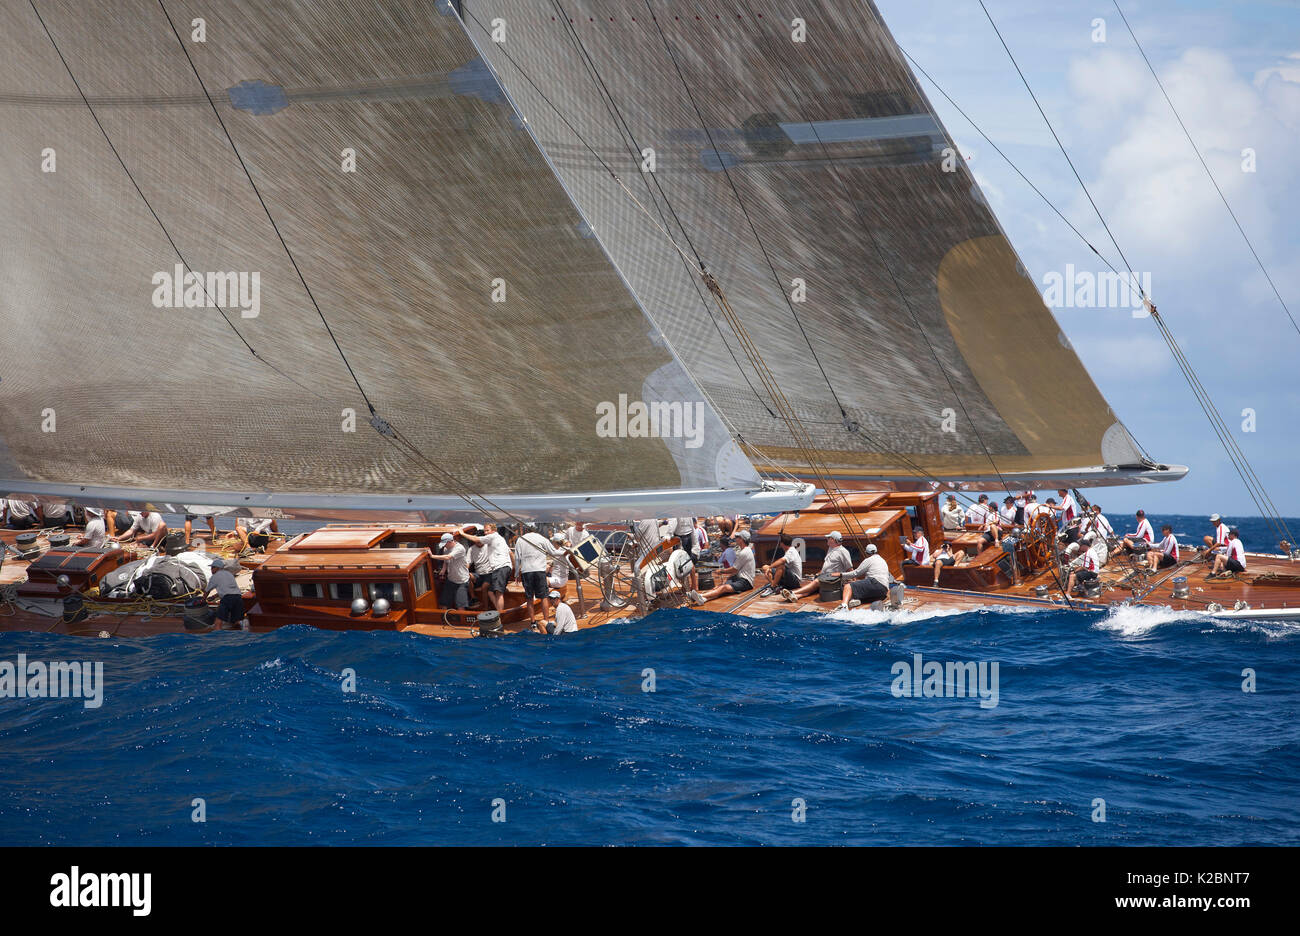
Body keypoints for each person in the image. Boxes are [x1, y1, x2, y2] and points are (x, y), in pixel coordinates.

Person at [514, 524, 568, 631]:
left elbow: (517, 558)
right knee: (543, 597)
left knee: (529, 598)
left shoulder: (520, 540)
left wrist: (516, 573)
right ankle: (546, 620)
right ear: (536, 529)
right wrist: (567, 552)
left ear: (525, 530)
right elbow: (553, 552)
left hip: (526, 571)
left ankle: (533, 623)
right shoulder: (541, 538)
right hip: (539, 571)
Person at [782, 530, 852, 602]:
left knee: (816, 582)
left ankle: (792, 592)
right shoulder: (831, 549)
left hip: (834, 579)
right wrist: (818, 573)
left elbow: (850, 569)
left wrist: (852, 582)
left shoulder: (843, 552)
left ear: (833, 540)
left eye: (828, 538)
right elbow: (828, 566)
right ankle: (797, 596)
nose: (827, 539)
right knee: (813, 588)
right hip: (826, 577)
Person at [689, 529, 755, 604]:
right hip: (739, 578)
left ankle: (700, 596)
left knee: (724, 588)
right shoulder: (745, 550)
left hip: (746, 582)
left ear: (742, 540)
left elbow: (734, 570)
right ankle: (704, 599)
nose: (735, 538)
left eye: (737, 537)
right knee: (720, 587)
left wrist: (721, 571)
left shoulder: (744, 552)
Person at [460, 522, 513, 613]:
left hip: (496, 570)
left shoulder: (492, 537)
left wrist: (462, 533)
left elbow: (476, 539)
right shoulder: (498, 539)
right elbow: (468, 563)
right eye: (485, 531)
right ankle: (476, 600)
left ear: (494, 530)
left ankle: (497, 614)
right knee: (490, 592)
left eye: (487, 530)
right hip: (492, 571)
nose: (486, 533)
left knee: (496, 592)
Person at [835, 543, 891, 610]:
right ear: (876, 551)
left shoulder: (868, 560)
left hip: (875, 583)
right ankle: (856, 600)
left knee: (848, 586)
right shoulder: (882, 560)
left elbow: (856, 573)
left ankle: (844, 606)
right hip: (883, 590)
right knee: (859, 586)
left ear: (866, 553)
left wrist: (841, 575)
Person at [429, 530, 471, 610]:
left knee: (460, 606)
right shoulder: (445, 549)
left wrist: (432, 556)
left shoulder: (460, 548)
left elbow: (448, 557)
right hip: (451, 580)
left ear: (450, 542)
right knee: (443, 604)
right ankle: (444, 620)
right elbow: (446, 561)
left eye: (445, 544)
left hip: (461, 581)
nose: (444, 546)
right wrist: (443, 570)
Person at [204, 558, 247, 630]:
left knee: (218, 620)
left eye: (212, 568)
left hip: (227, 599)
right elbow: (228, 589)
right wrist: (214, 596)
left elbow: (207, 591)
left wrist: (202, 600)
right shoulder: (229, 574)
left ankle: (217, 637)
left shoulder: (214, 577)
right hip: (238, 598)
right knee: (237, 621)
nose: (211, 570)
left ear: (217, 568)